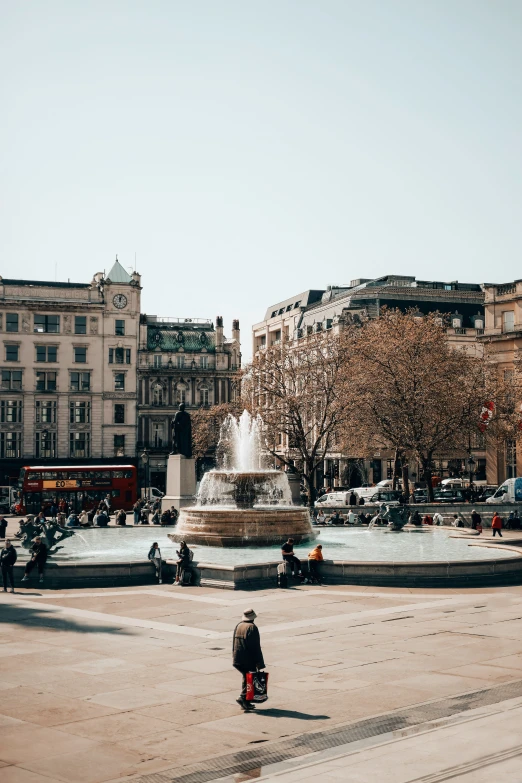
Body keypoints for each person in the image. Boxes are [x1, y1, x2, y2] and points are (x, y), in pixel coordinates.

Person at [232, 608, 265, 711]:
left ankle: (245, 702)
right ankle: (242, 697)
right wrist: (259, 663)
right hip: (248, 659)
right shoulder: (252, 628)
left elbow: (234, 643)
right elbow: (255, 647)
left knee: (246, 677)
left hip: (237, 658)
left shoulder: (239, 625)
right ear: (253, 618)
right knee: (250, 679)